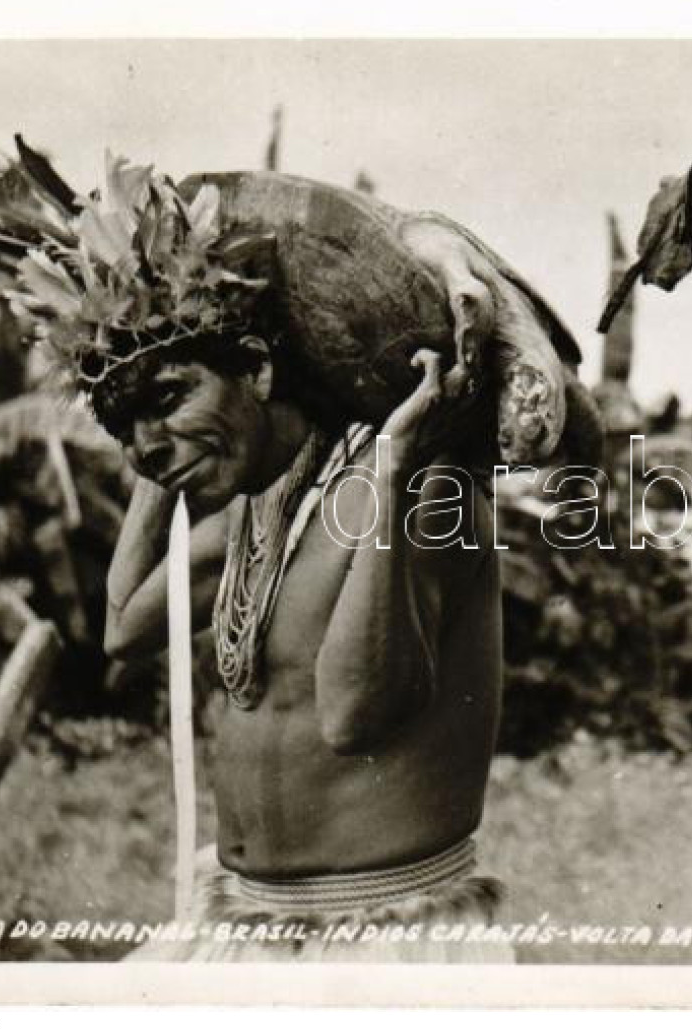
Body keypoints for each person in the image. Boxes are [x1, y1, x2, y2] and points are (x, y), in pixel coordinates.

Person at [78, 183, 512, 961]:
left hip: (386, 940)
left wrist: (392, 467)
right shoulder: (255, 515)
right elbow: (123, 629)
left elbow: (350, 714)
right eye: (122, 429)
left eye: (173, 398)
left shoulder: (421, 489)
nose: (142, 444)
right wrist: (159, 445)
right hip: (244, 921)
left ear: (257, 369)